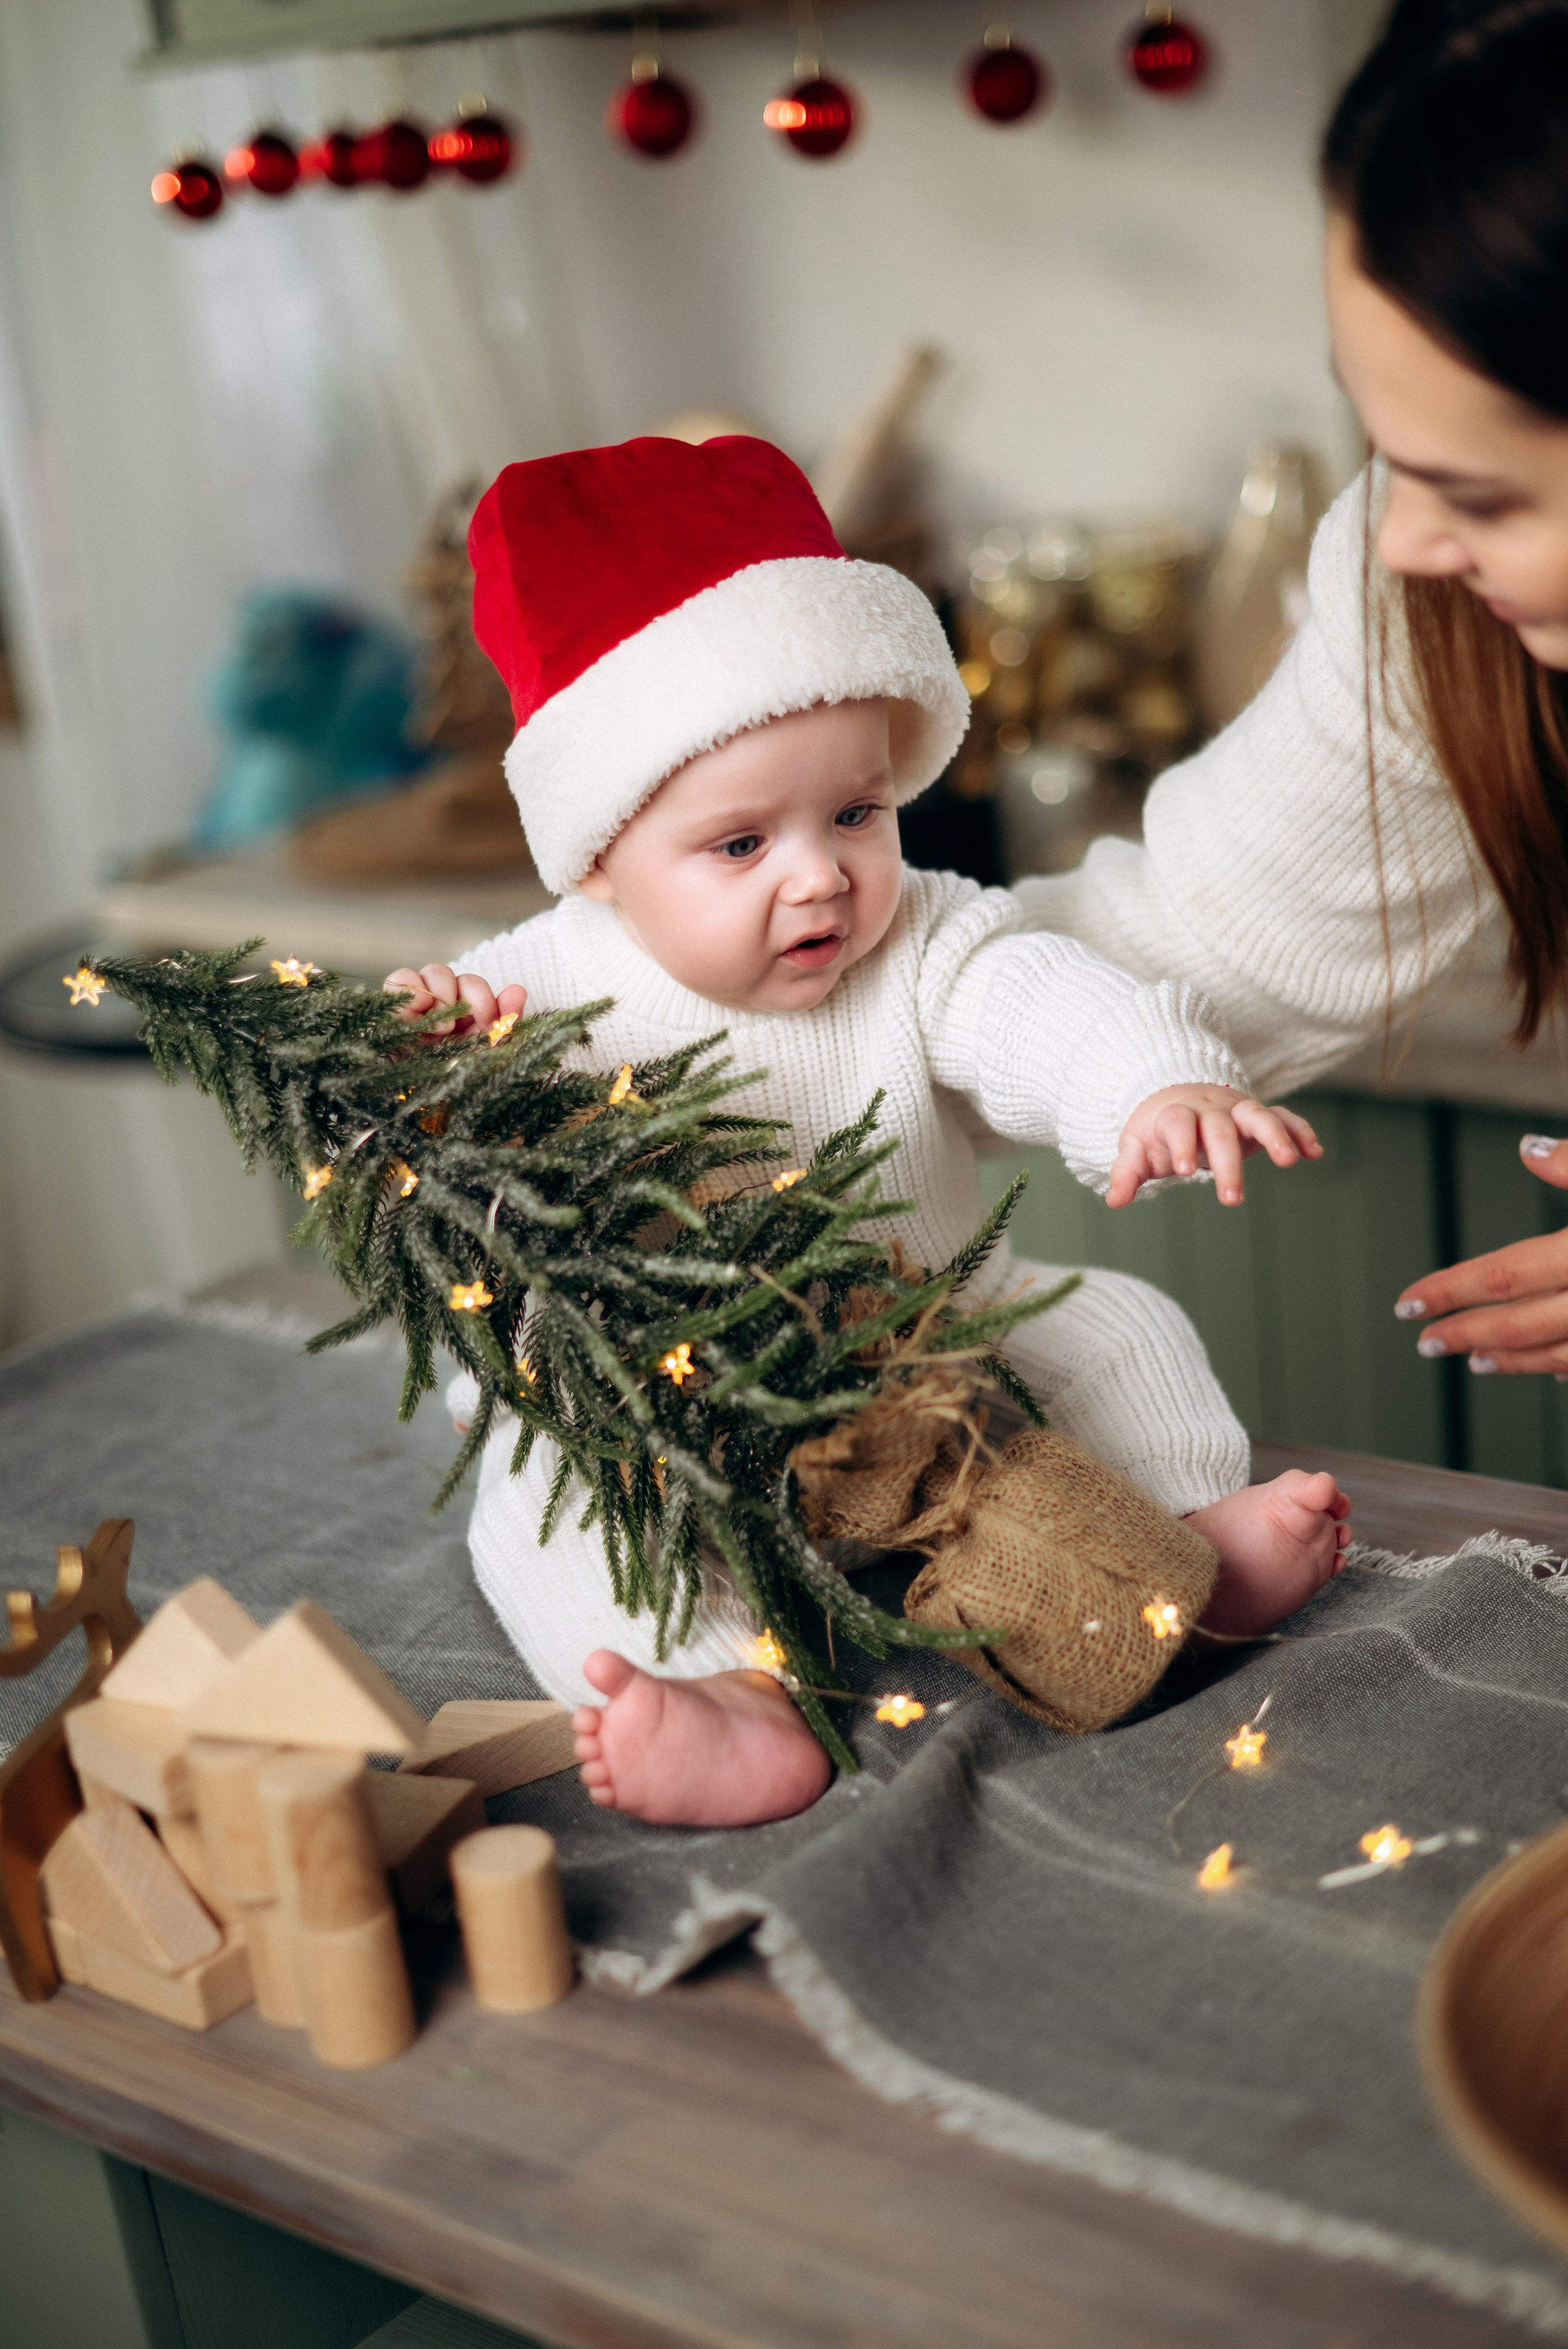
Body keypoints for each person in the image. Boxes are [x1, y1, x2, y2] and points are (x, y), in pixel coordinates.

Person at [385, 435, 1349, 1829]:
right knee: (551, 1499)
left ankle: (1173, 1555)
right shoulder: (535, 992)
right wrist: (432, 1077)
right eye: (740, 846)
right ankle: (726, 1692)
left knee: (1118, 1328)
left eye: (854, 811)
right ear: (599, 852)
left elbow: (1038, 1002)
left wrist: (1146, 1084)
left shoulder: (919, 935)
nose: (822, 874)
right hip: (677, 1393)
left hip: (935, 1330)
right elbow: (447, 1189)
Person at [1019, 0, 1568, 1382]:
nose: (1396, 542)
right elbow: (1194, 944)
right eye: (1385, 452)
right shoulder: (1418, 601)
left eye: (1478, 493)